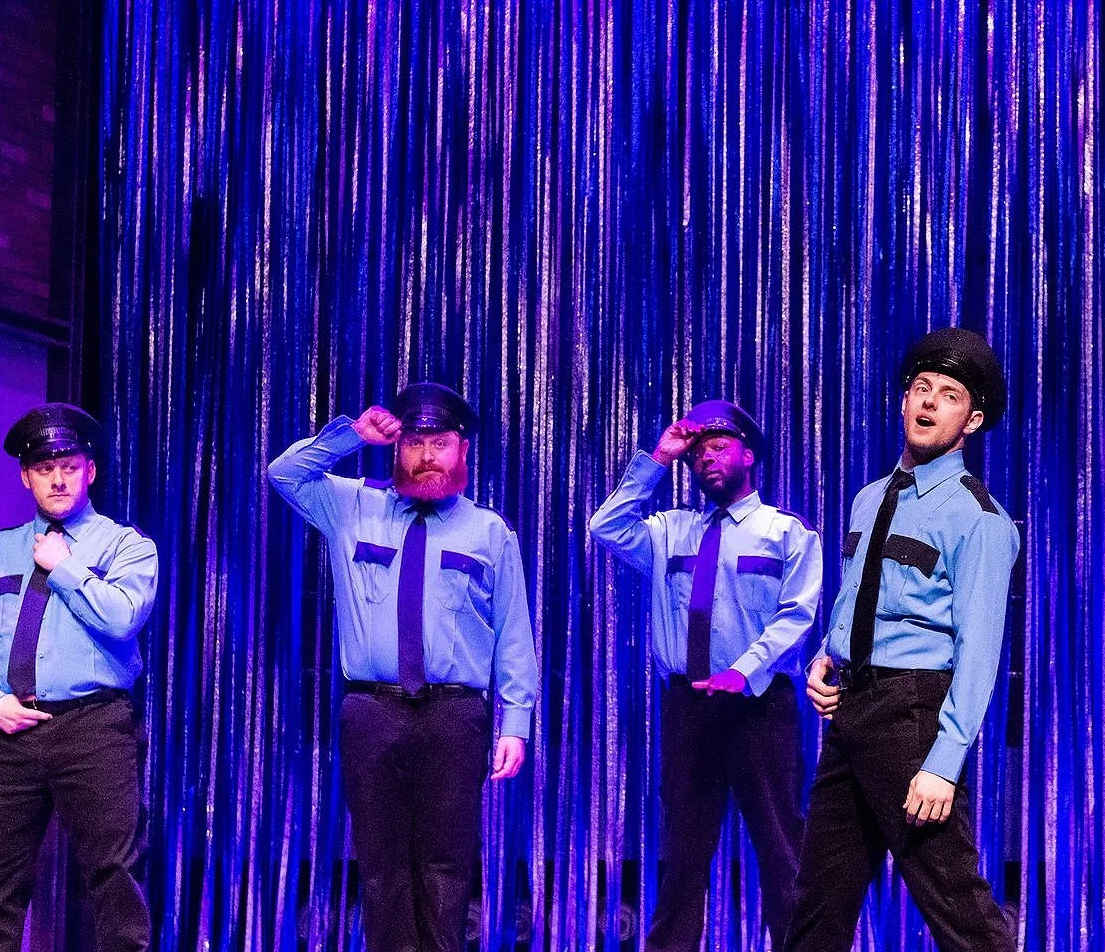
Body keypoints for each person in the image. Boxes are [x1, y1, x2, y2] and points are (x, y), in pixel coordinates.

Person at [267, 382, 540, 952]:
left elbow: (513, 631)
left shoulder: (489, 531)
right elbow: (284, 474)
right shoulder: (351, 506)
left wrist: (514, 722)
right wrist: (351, 436)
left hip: (455, 715)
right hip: (372, 709)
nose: (426, 456)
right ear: (396, 448)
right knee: (381, 866)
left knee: (446, 867)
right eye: (414, 443)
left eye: (439, 444)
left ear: (462, 449)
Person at [784, 328, 1020, 952]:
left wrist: (943, 763)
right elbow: (861, 598)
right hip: (852, 709)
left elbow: (979, 652)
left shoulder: (979, 519)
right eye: (921, 387)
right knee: (819, 900)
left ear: (971, 421)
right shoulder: (869, 499)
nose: (929, 401)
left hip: (912, 713)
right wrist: (828, 654)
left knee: (955, 903)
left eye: (948, 395)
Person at [590, 398, 823, 951]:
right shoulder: (669, 531)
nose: (707, 459)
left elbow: (797, 617)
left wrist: (742, 673)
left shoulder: (786, 533)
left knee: (781, 851)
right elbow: (605, 527)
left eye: (719, 447)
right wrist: (658, 458)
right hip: (688, 708)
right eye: (697, 454)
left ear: (749, 455)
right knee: (683, 857)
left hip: (758, 707)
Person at [0, 404, 159, 952]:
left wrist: (65, 566)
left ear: (91, 471)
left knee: (115, 880)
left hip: (93, 727)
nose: (58, 478)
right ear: (26, 477)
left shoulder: (126, 546)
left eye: (69, 466)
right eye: (44, 468)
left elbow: (123, 618)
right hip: (6, 732)